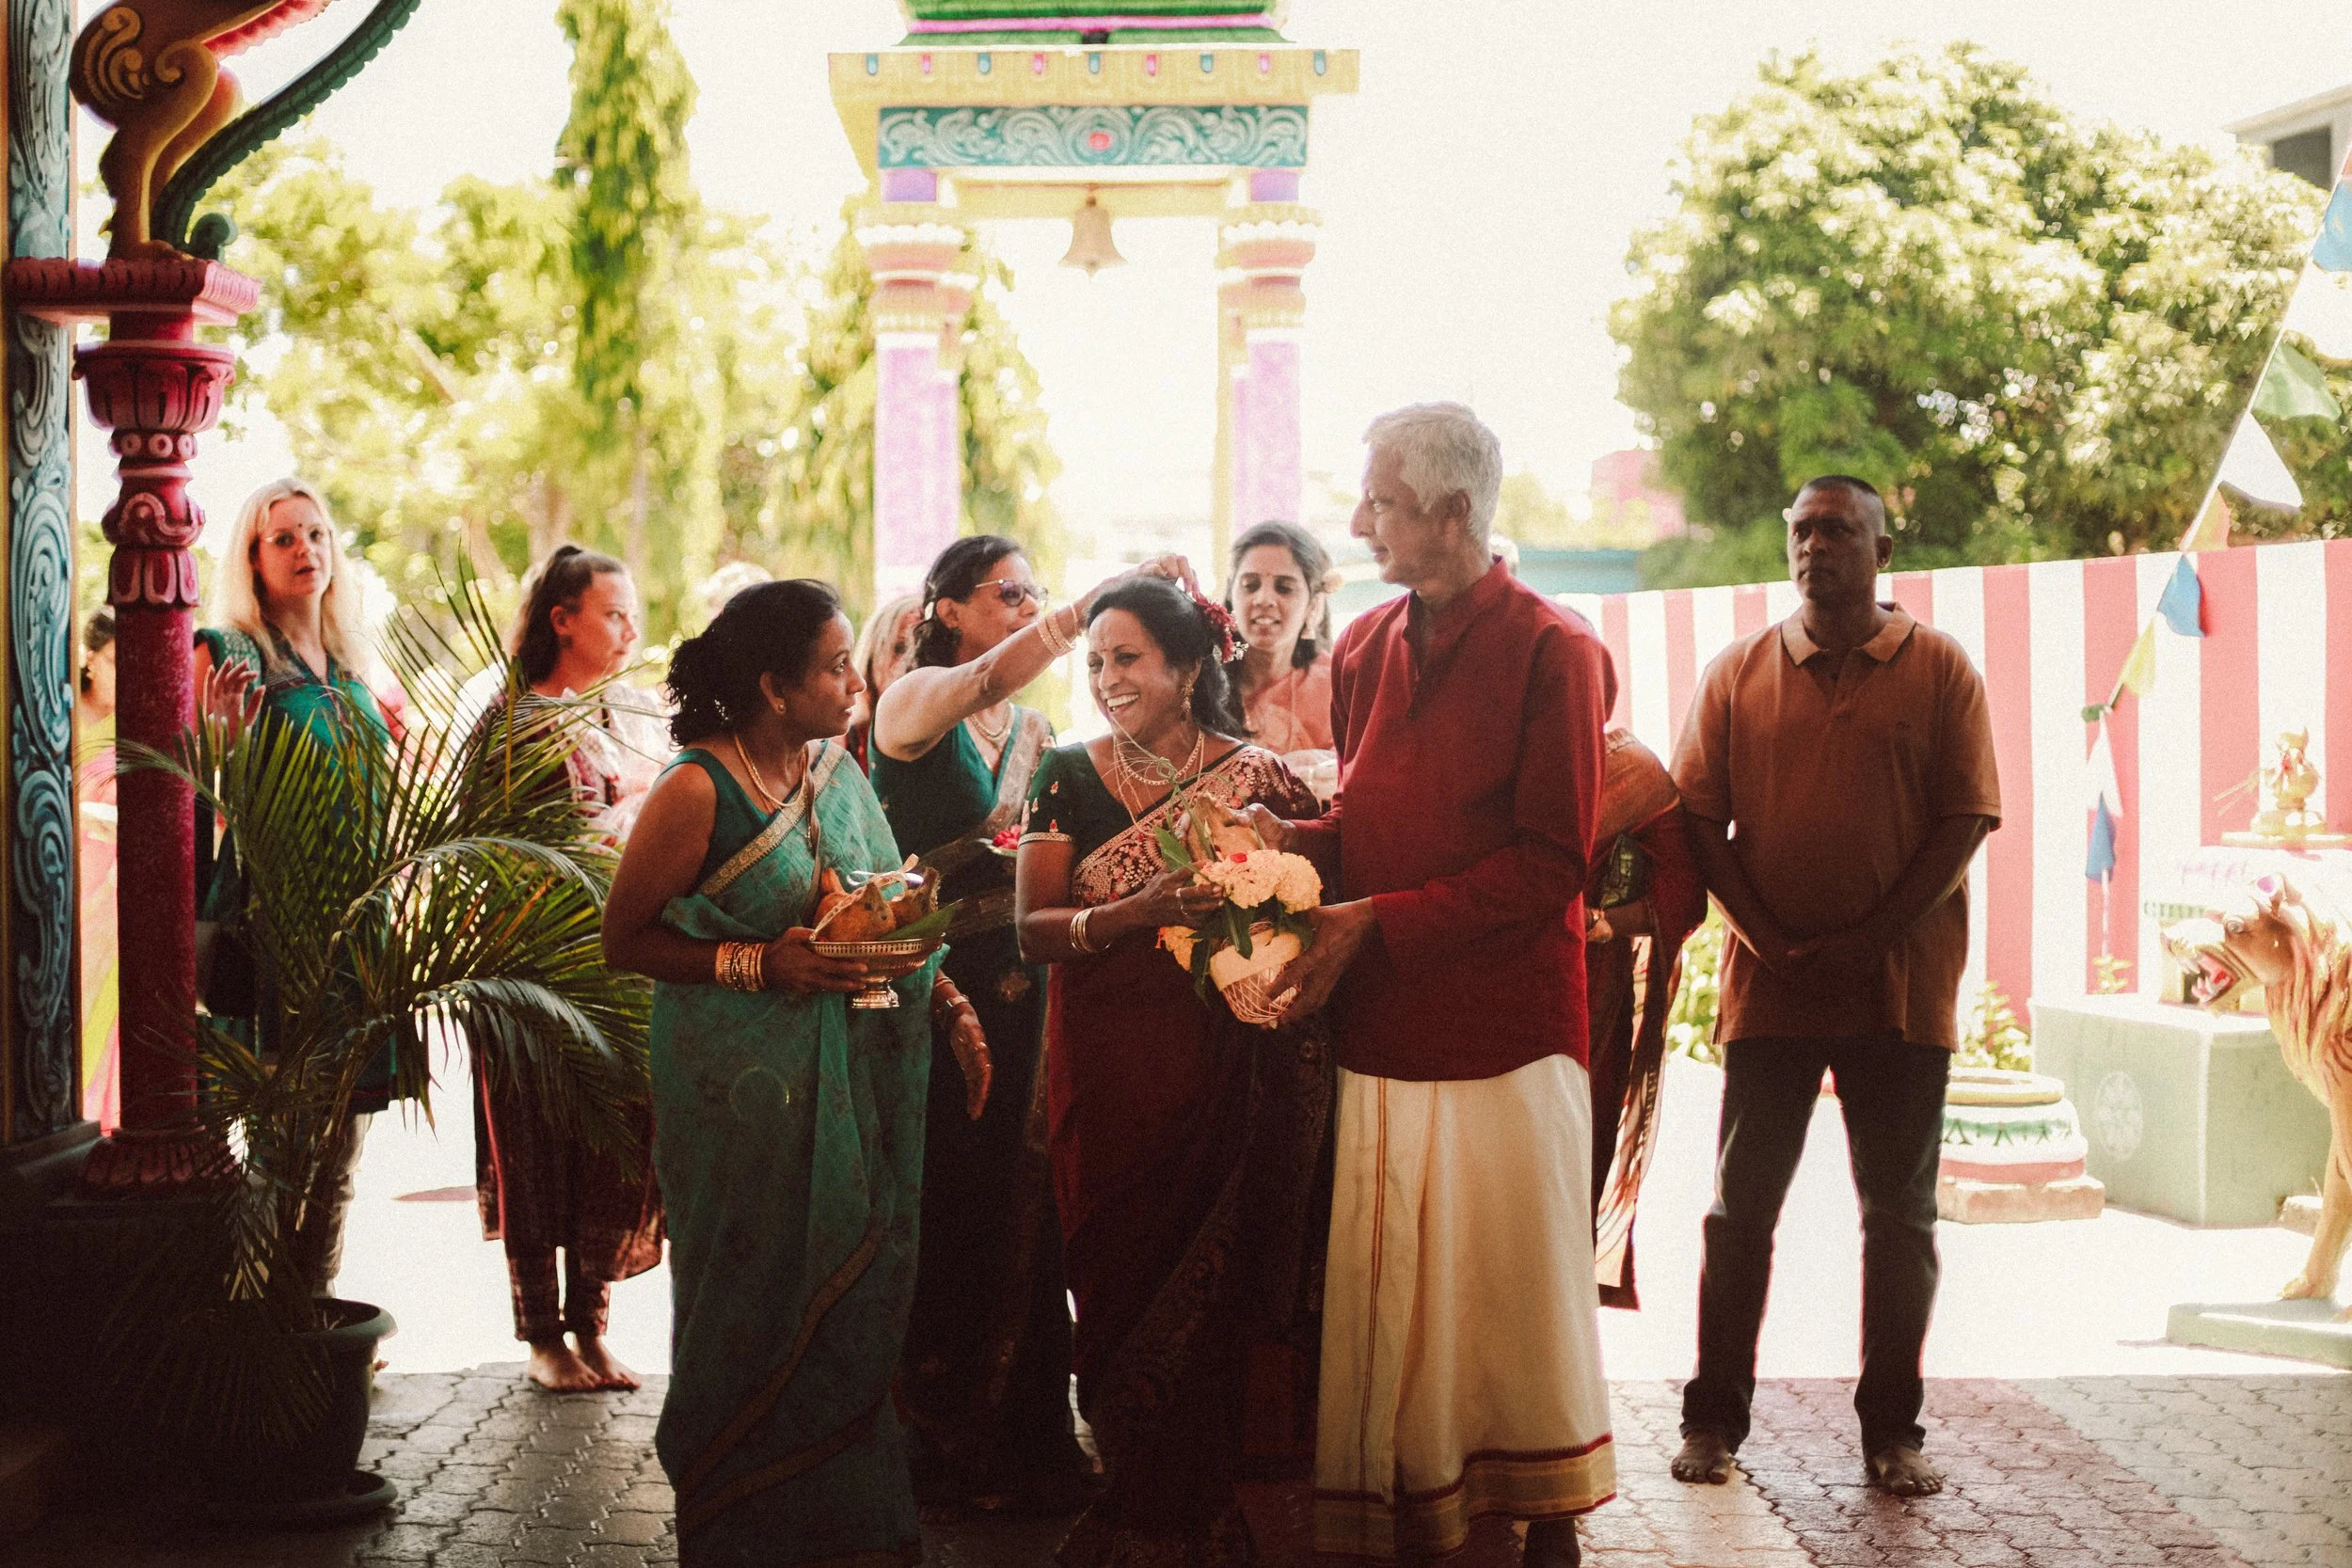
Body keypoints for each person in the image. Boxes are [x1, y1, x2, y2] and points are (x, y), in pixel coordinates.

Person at [1256, 404, 1614, 1567]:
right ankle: (1425, 1497)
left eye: (1385, 504)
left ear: (1455, 513)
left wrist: (1373, 916)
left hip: (1510, 1028)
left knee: (1514, 1286)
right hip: (1387, 1018)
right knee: (1406, 1289)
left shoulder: (1556, 649)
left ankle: (1544, 1508)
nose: (1361, 524)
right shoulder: (1361, 643)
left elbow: (1550, 863)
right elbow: (1368, 814)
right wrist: (1292, 840)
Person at [601, 579, 980, 1565]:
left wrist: (949, 999)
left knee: (847, 1295)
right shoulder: (696, 787)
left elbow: (890, 902)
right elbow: (625, 938)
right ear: (773, 685)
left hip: (847, 1084)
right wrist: (759, 962)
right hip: (738, 1102)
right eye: (832, 666)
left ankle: (846, 1530)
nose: (855, 682)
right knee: (748, 1301)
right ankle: (737, 1526)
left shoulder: (833, 771)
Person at [1667, 474, 1999, 1498]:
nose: (1815, 545)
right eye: (1801, 529)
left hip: (1898, 991)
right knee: (1738, 1211)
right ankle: (1712, 1420)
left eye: (1838, 529)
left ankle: (1892, 1430)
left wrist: (1870, 938)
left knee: (1897, 1217)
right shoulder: (1736, 672)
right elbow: (1692, 821)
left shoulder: (1941, 669)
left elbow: (1964, 821)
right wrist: (1762, 935)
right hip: (1770, 992)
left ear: (1882, 550)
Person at [1014, 576, 1329, 1567]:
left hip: (1227, 1072)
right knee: (1108, 1278)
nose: (1106, 679)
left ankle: (1190, 1509)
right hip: (1104, 1077)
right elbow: (1032, 928)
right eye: (1096, 661)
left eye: (1129, 658)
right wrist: (1132, 912)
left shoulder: (1263, 777)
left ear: (1189, 666)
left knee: (1222, 1282)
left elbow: (1310, 916)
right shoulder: (1063, 773)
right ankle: (1133, 1492)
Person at [869, 538, 1184, 1513]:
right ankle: (940, 1442)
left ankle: (1030, 1436)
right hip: (945, 991)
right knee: (952, 1203)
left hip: (1034, 986)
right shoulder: (912, 702)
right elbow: (989, 676)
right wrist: (1095, 601)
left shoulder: (1039, 731)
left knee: (1034, 1211)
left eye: (1036, 592)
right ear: (947, 608)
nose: (1027, 606)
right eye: (1007, 592)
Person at [194, 478, 398, 1296]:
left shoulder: (351, 665)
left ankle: (311, 1319)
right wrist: (231, 749)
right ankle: (255, 1340)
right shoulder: (230, 651)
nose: (306, 550)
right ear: (252, 555)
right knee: (280, 1152)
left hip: (362, 929)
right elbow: (196, 790)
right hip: (278, 925)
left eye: (317, 534)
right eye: (284, 537)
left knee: (343, 1151)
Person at [471, 546, 666, 1392]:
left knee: (609, 1146)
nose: (628, 631)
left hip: (613, 966)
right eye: (612, 614)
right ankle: (543, 1337)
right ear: (562, 619)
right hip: (533, 972)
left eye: (632, 615)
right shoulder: (511, 724)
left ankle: (590, 1326)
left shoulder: (616, 719)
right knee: (536, 1151)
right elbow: (501, 852)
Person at [1584, 732, 1706, 1308]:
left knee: (1571, 1175)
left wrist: (1603, 921)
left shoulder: (1627, 769)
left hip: (1586, 1010)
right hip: (1472, 998)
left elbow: (1684, 892)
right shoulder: (1480, 749)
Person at [1224, 520, 1341, 802]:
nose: (1264, 599)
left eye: (1284, 588)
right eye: (1250, 585)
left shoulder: (1337, 685)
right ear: (1231, 595)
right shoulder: (1200, 677)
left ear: (1313, 606)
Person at [77, 609, 121, 1132]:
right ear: (91, 658)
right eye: (114, 660)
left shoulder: (133, 724)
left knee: (113, 1011)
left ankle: (108, 1121)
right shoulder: (62, 714)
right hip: (73, 881)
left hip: (117, 888)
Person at [843, 591, 921, 772]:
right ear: (871, 659)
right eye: (900, 648)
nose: (913, 661)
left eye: (924, 647)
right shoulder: (841, 744)